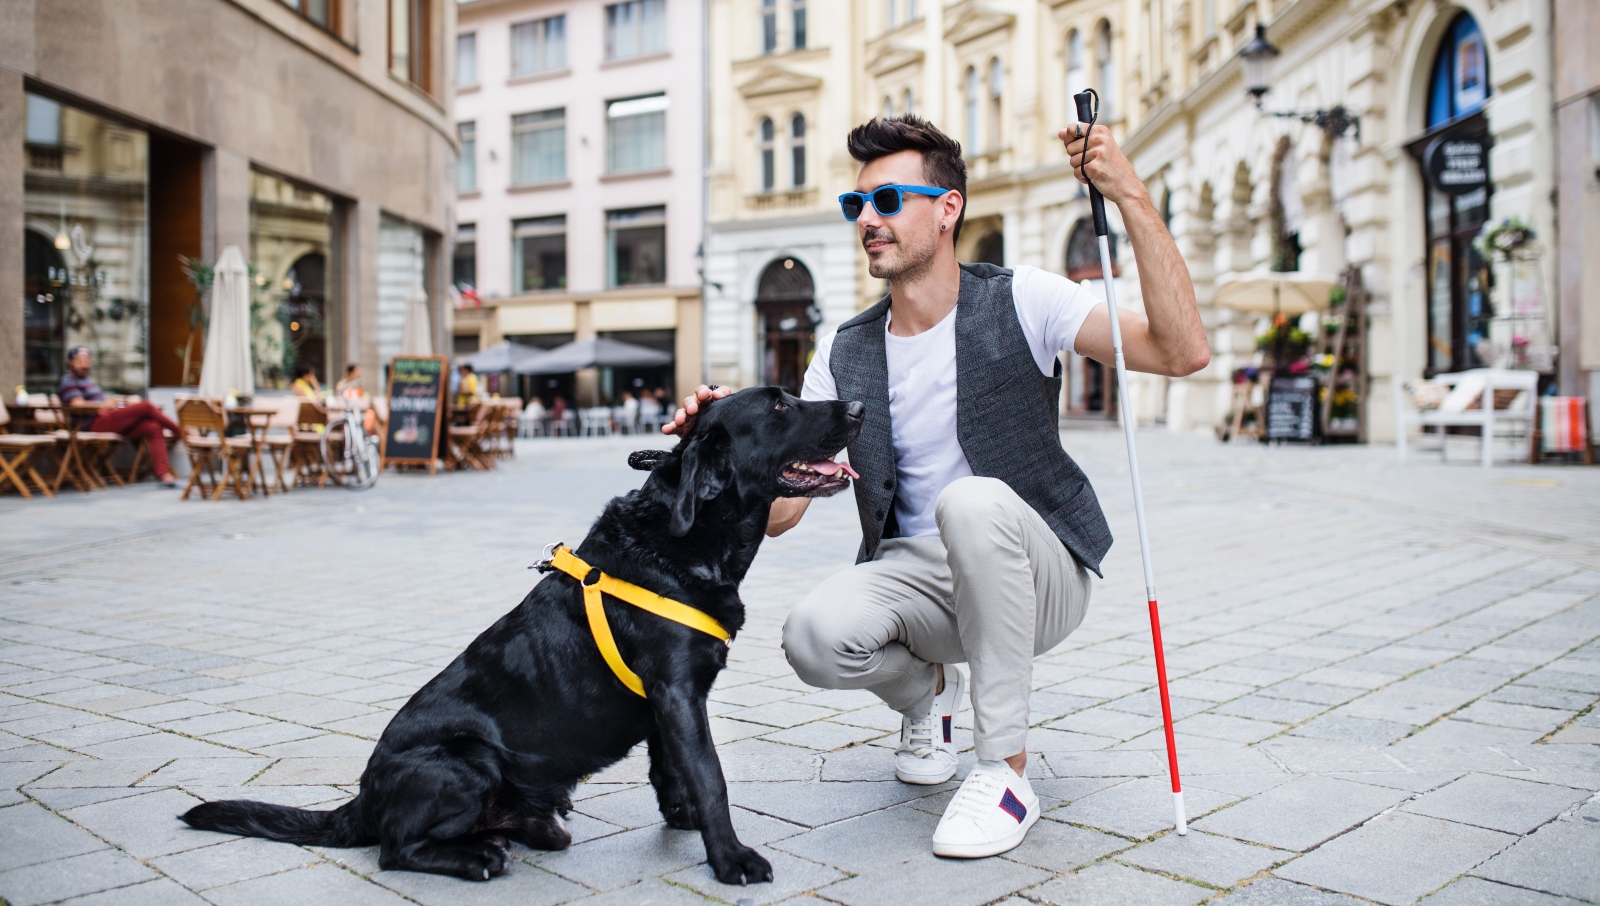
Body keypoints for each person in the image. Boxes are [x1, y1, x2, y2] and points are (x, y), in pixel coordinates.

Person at [664, 115, 1207, 858]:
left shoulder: (1024, 299)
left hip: (1035, 565)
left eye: (887, 200)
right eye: (857, 206)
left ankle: (1005, 772)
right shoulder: (846, 350)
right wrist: (729, 441)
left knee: (971, 501)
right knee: (812, 637)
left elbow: (1182, 351)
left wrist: (1132, 197)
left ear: (947, 208)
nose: (869, 221)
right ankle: (930, 696)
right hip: (915, 576)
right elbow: (783, 514)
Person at [58, 346, 184, 488]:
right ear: (70, 362)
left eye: (87, 361)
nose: (84, 365)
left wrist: (123, 402)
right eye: (79, 361)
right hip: (93, 424)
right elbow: (77, 405)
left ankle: (164, 475)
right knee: (146, 406)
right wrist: (103, 406)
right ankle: (181, 432)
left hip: (108, 419)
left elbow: (105, 400)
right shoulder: (68, 380)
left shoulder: (88, 381)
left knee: (153, 427)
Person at [336, 363, 377, 434]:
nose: (359, 374)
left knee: (372, 416)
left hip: (359, 411)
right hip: (347, 411)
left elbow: (362, 398)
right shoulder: (343, 384)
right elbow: (339, 397)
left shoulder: (359, 384)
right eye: (357, 372)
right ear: (350, 373)